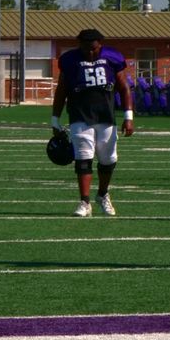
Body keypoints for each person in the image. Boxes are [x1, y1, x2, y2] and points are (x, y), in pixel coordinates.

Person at [51, 29, 134, 217]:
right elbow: (62, 90)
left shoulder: (112, 57)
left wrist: (128, 116)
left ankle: (103, 194)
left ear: (100, 45)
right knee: (83, 157)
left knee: (108, 159)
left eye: (94, 49)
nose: (90, 53)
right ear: (79, 44)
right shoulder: (70, 60)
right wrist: (55, 119)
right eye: (86, 49)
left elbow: (124, 88)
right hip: (80, 114)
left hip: (106, 115)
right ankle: (84, 201)